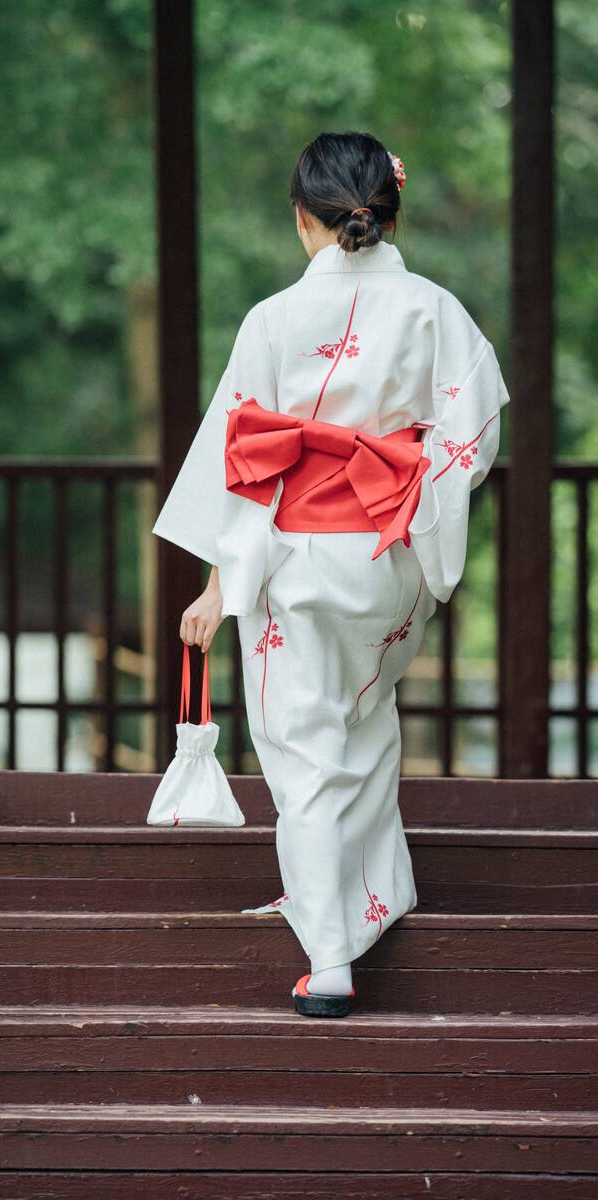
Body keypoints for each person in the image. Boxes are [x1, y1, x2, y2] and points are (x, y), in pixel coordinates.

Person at [151, 130, 510, 1018]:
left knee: (300, 752)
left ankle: (330, 956)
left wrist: (219, 582)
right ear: (389, 212)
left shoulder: (273, 320)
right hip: (389, 554)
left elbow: (240, 461)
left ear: (304, 219)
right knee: (366, 724)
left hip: (295, 558)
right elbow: (472, 440)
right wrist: (419, 508)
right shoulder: (436, 310)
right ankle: (371, 898)